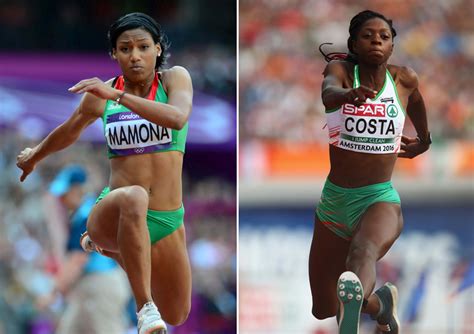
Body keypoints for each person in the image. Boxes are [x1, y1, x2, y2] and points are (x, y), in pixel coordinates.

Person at [17, 12, 193, 334]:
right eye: (125, 49)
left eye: (142, 47)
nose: (135, 56)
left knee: (178, 313)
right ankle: (144, 310)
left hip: (167, 218)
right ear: (114, 54)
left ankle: (110, 249)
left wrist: (119, 97)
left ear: (157, 48)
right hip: (115, 207)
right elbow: (69, 131)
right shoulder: (101, 95)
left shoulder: (173, 79)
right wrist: (34, 156)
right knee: (135, 196)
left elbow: (178, 118)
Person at [308, 10, 431, 334]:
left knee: (361, 255)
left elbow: (416, 100)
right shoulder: (341, 72)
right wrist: (347, 96)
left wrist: (425, 139)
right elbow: (328, 93)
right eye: (368, 35)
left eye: (384, 36)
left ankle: (354, 322)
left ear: (391, 46)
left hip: (379, 199)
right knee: (324, 307)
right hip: (333, 204)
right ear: (353, 43)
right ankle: (380, 305)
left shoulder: (404, 78)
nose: (376, 40)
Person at [43, 164, 130, 334]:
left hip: (101, 287)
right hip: (88, 291)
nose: (61, 200)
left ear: (77, 190)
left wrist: (53, 292)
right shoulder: (81, 215)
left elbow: (77, 260)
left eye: (64, 194)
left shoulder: (88, 215)